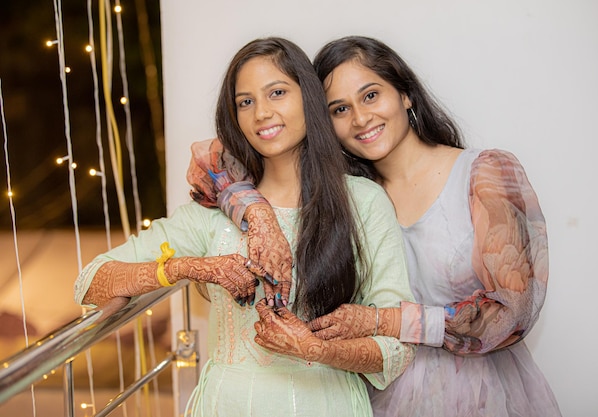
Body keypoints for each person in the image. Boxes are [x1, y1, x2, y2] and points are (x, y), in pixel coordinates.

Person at [197, 36, 562, 417]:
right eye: (339, 109)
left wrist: (381, 319)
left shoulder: (483, 174)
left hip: (481, 393)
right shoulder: (348, 197)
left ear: (405, 94)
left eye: (370, 96)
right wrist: (259, 214)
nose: (360, 118)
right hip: (378, 394)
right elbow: (211, 163)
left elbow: (513, 314)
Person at [73, 37, 416, 417]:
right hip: (227, 404)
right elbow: (90, 282)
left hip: (328, 402)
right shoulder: (212, 211)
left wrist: (316, 350)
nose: (262, 113)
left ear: (310, 98)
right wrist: (188, 268)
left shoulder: (362, 202)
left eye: (278, 92)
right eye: (246, 102)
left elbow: (396, 349)